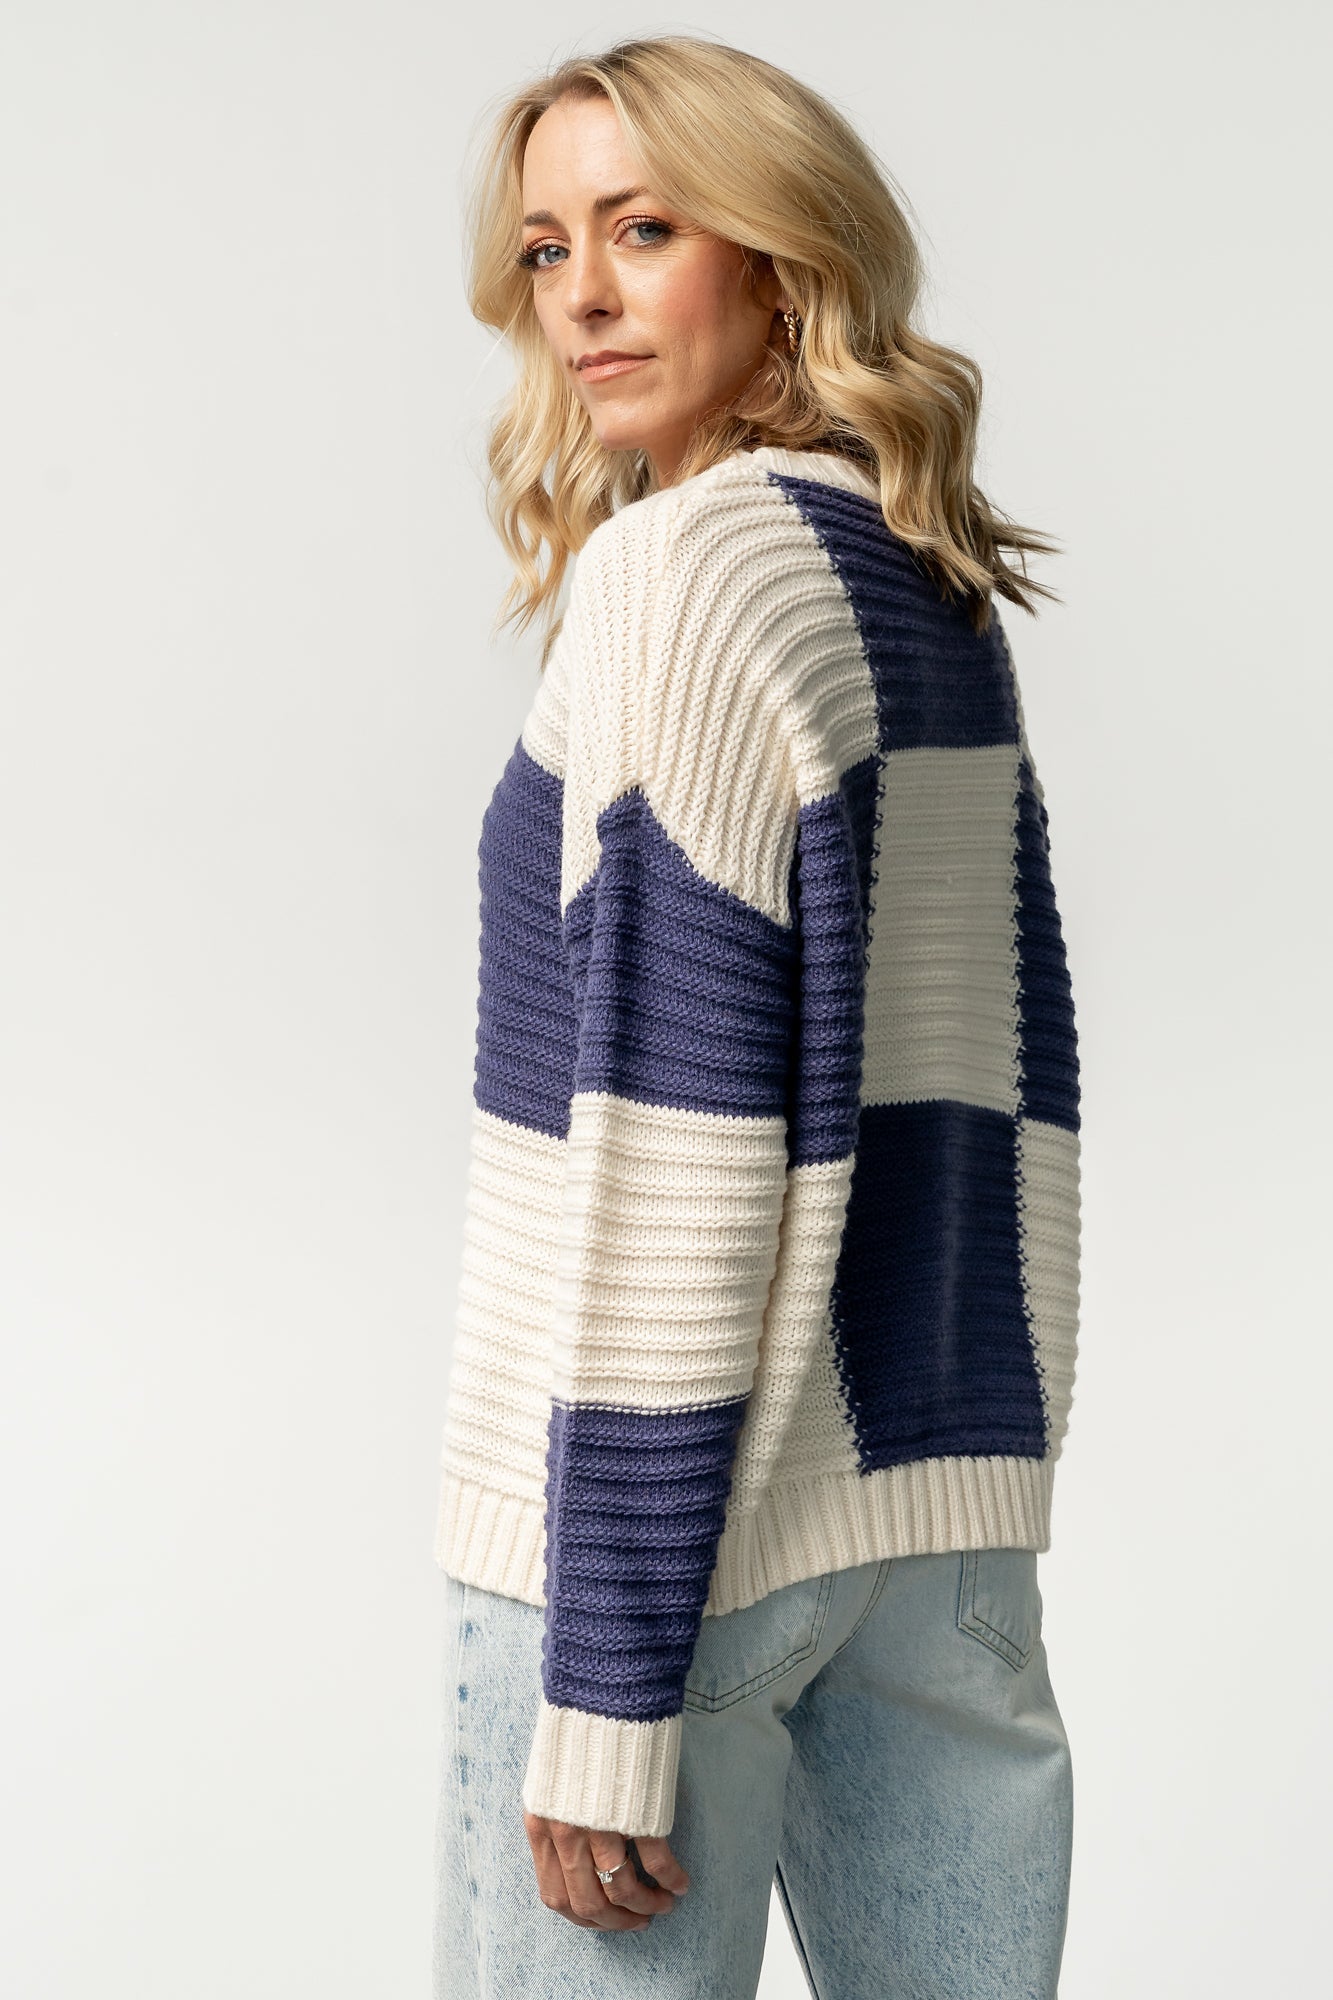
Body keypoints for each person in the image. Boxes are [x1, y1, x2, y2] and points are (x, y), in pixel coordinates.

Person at [432, 32, 1080, 2000]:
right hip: (936, 1544)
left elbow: (675, 1154)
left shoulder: (679, 576)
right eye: (548, 248)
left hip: (671, 1558)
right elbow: (1000, 1097)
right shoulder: (915, 572)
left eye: (645, 230)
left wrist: (609, 1678)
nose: (584, 297)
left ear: (782, 258)